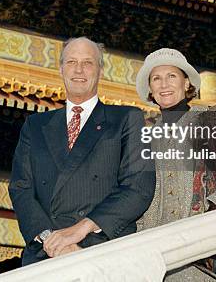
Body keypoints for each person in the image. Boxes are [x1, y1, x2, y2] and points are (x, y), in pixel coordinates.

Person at [9, 37, 155, 266]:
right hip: (45, 254)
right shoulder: (36, 125)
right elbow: (21, 188)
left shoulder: (127, 119)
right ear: (61, 69)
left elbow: (138, 187)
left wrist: (80, 230)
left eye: (88, 62)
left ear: (100, 70)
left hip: (104, 249)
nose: (79, 70)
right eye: (71, 62)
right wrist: (52, 240)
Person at [135, 48, 216, 282]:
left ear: (187, 82)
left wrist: (211, 214)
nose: (164, 84)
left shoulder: (214, 119)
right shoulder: (143, 139)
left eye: (171, 76)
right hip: (159, 263)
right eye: (156, 79)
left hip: (210, 256)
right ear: (150, 89)